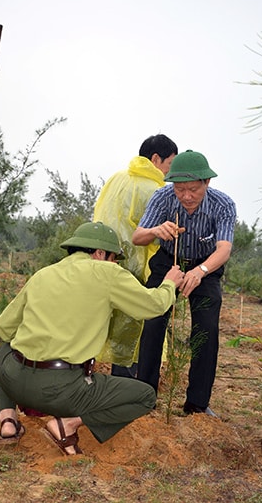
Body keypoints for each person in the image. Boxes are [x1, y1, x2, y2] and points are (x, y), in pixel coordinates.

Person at [0, 221, 184, 454]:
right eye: (113, 257)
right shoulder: (107, 272)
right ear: (100, 253)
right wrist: (170, 284)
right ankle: (68, 424)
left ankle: (8, 419)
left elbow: (3, 329)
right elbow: (153, 306)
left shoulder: (43, 274)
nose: (113, 263)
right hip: (61, 393)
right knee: (145, 396)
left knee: (4, 350)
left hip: (15, 383)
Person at [132, 150, 236, 417]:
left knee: (206, 328)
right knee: (153, 320)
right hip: (168, 262)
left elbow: (224, 249)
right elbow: (137, 236)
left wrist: (200, 271)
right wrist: (155, 231)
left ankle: (197, 404)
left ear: (207, 184)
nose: (186, 196)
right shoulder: (162, 197)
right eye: (180, 189)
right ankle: (144, 397)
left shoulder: (223, 205)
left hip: (206, 266)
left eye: (193, 189)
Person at [93, 134, 178, 378]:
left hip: (103, 261)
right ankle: (127, 383)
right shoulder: (155, 189)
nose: (169, 173)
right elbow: (157, 235)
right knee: (134, 326)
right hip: (136, 267)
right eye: (169, 165)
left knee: (104, 321)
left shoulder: (115, 178)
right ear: (155, 159)